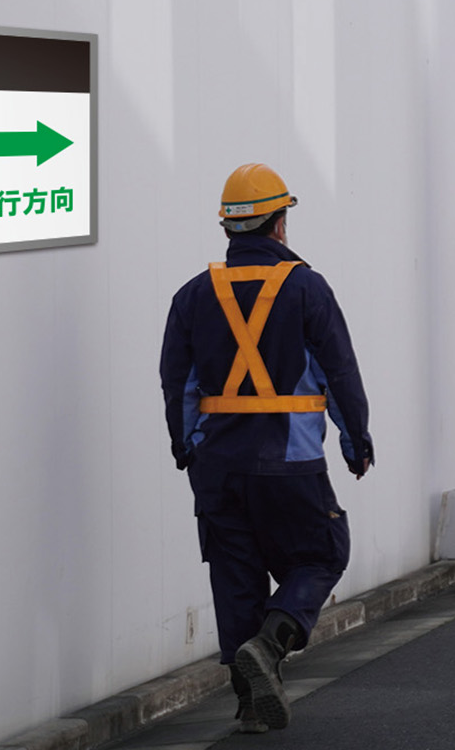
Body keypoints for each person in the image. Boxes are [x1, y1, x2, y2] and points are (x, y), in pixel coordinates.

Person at [159, 163, 373, 734]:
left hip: (217, 469)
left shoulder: (193, 295)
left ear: (229, 229)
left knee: (236, 577)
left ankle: (251, 703)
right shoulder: (306, 287)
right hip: (291, 464)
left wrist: (187, 450)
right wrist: (356, 442)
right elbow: (339, 373)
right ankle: (273, 644)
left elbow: (178, 386)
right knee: (323, 554)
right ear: (279, 225)